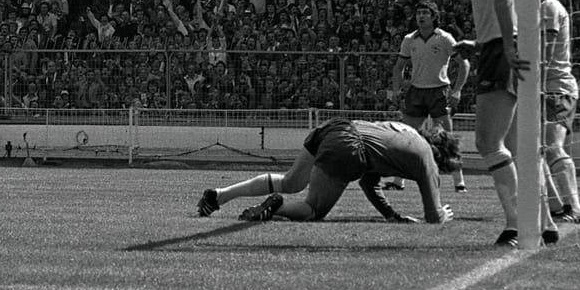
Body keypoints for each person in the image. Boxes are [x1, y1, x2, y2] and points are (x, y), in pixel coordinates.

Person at [449, 0, 549, 247]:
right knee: (518, 144)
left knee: (488, 142)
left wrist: (504, 44)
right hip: (525, 45)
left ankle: (517, 223)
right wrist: (483, 42)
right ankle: (545, 221)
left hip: (505, 49)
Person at [196, 118, 459, 224]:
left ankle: (220, 195)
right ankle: (277, 207)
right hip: (351, 147)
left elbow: (369, 182)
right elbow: (433, 217)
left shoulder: (404, 130)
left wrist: (391, 215)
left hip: (335, 127)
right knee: (312, 210)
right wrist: (442, 215)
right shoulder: (427, 157)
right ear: (441, 154)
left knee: (290, 181)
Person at [384, 1, 470, 192]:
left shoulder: (445, 38)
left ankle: (459, 182)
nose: (421, 16)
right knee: (405, 136)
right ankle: (399, 182)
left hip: (439, 91)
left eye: (425, 13)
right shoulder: (409, 39)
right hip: (416, 91)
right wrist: (396, 89)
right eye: (418, 13)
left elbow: (464, 64)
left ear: (433, 16)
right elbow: (399, 67)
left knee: (448, 137)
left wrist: (457, 90)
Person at [538, 0, 580, 224]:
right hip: (542, 88)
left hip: (555, 88)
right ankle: (557, 206)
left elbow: (545, 54)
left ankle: (576, 207)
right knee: (535, 151)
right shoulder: (536, 7)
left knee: (553, 147)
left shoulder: (548, 7)